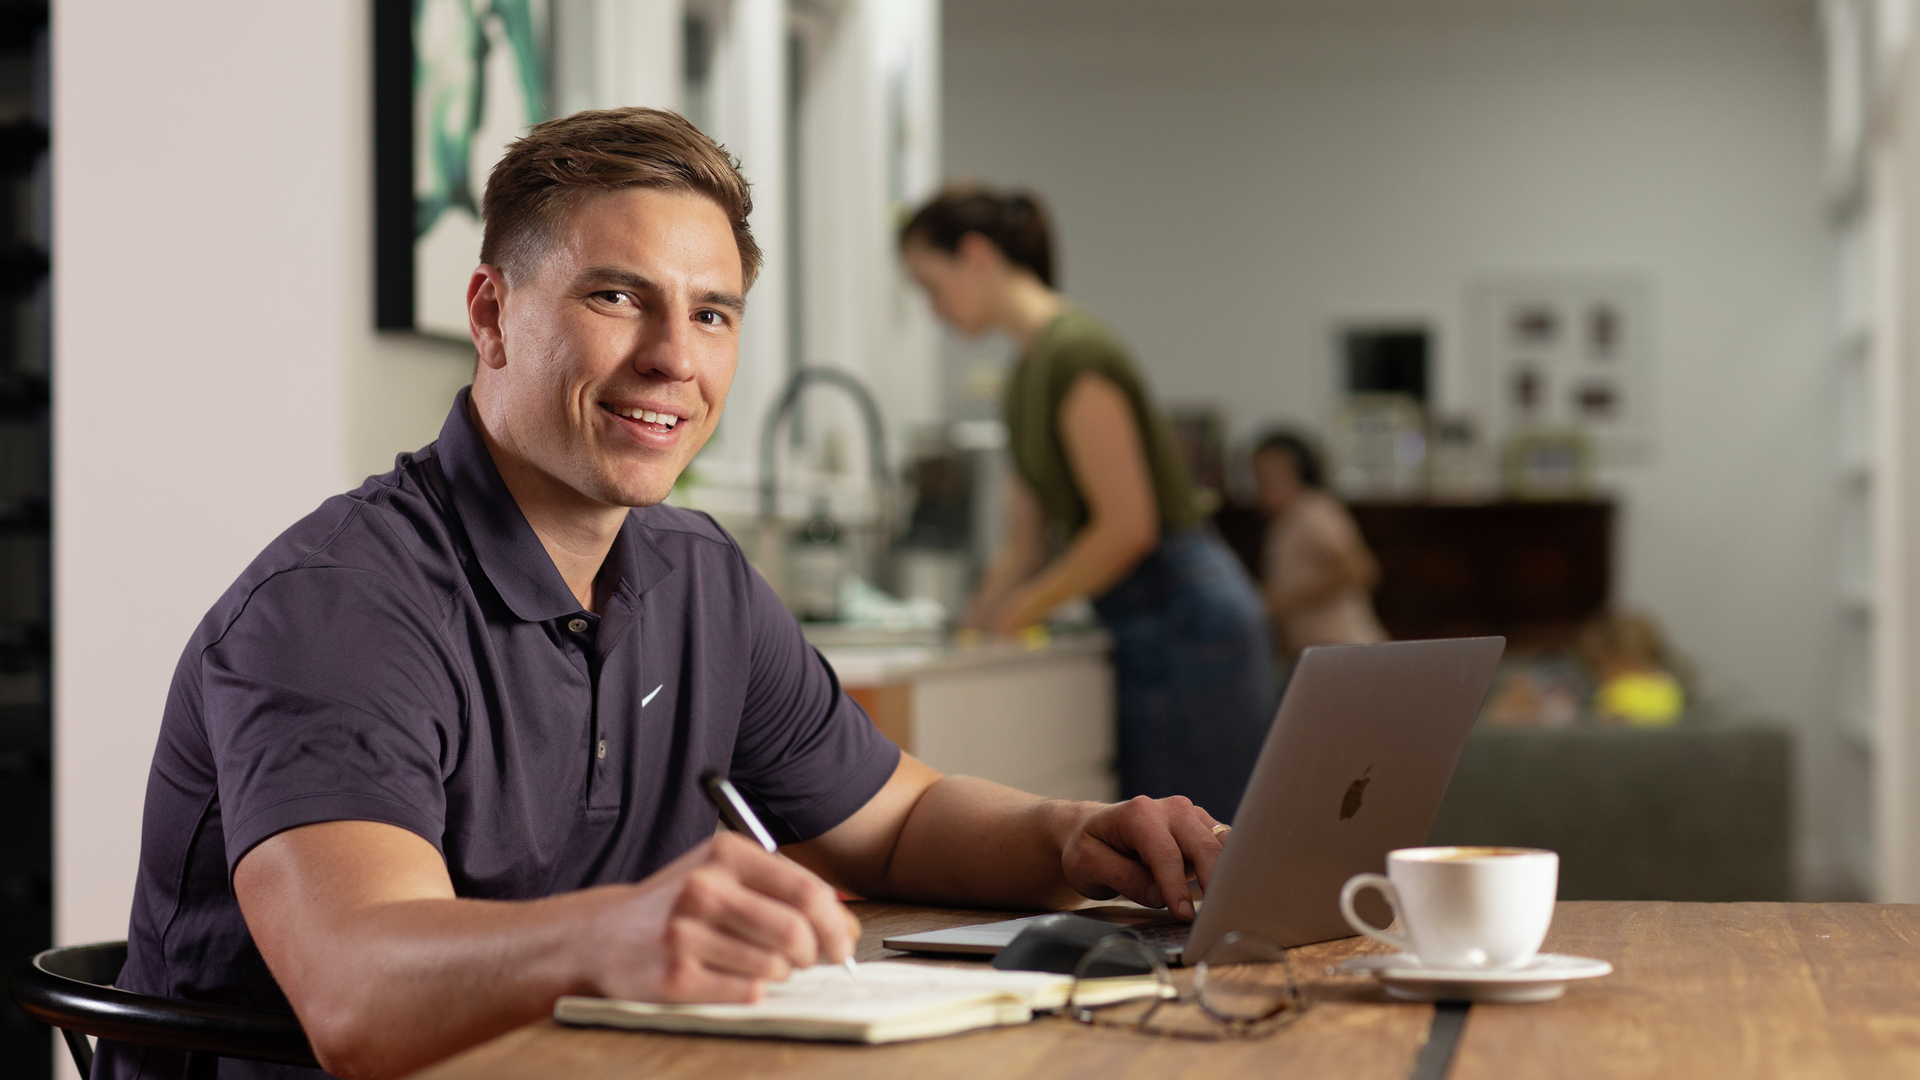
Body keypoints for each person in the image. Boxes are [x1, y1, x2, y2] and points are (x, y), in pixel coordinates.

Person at [105, 110, 1234, 1080]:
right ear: (491, 315)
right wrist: (625, 931)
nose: (673, 359)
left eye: (712, 313)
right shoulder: (342, 605)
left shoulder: (698, 579)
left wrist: (1078, 836)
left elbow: (896, 822)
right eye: (615, 296)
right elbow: (356, 996)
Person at [898, 187, 1277, 823]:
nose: (932, 310)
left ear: (975, 255)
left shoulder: (1075, 351)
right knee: (1173, 842)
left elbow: (1128, 529)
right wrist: (977, 622)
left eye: (930, 286)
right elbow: (1024, 545)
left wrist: (1019, 610)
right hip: (1144, 612)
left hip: (1185, 611)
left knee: (1203, 843)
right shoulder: (1026, 376)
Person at [1250, 431, 1387, 661]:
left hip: (1344, 650)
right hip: (1319, 654)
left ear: (1299, 471)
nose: (1262, 487)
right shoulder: (1285, 521)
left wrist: (1278, 602)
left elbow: (1358, 569)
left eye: (1271, 476)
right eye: (1258, 477)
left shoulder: (1313, 511)